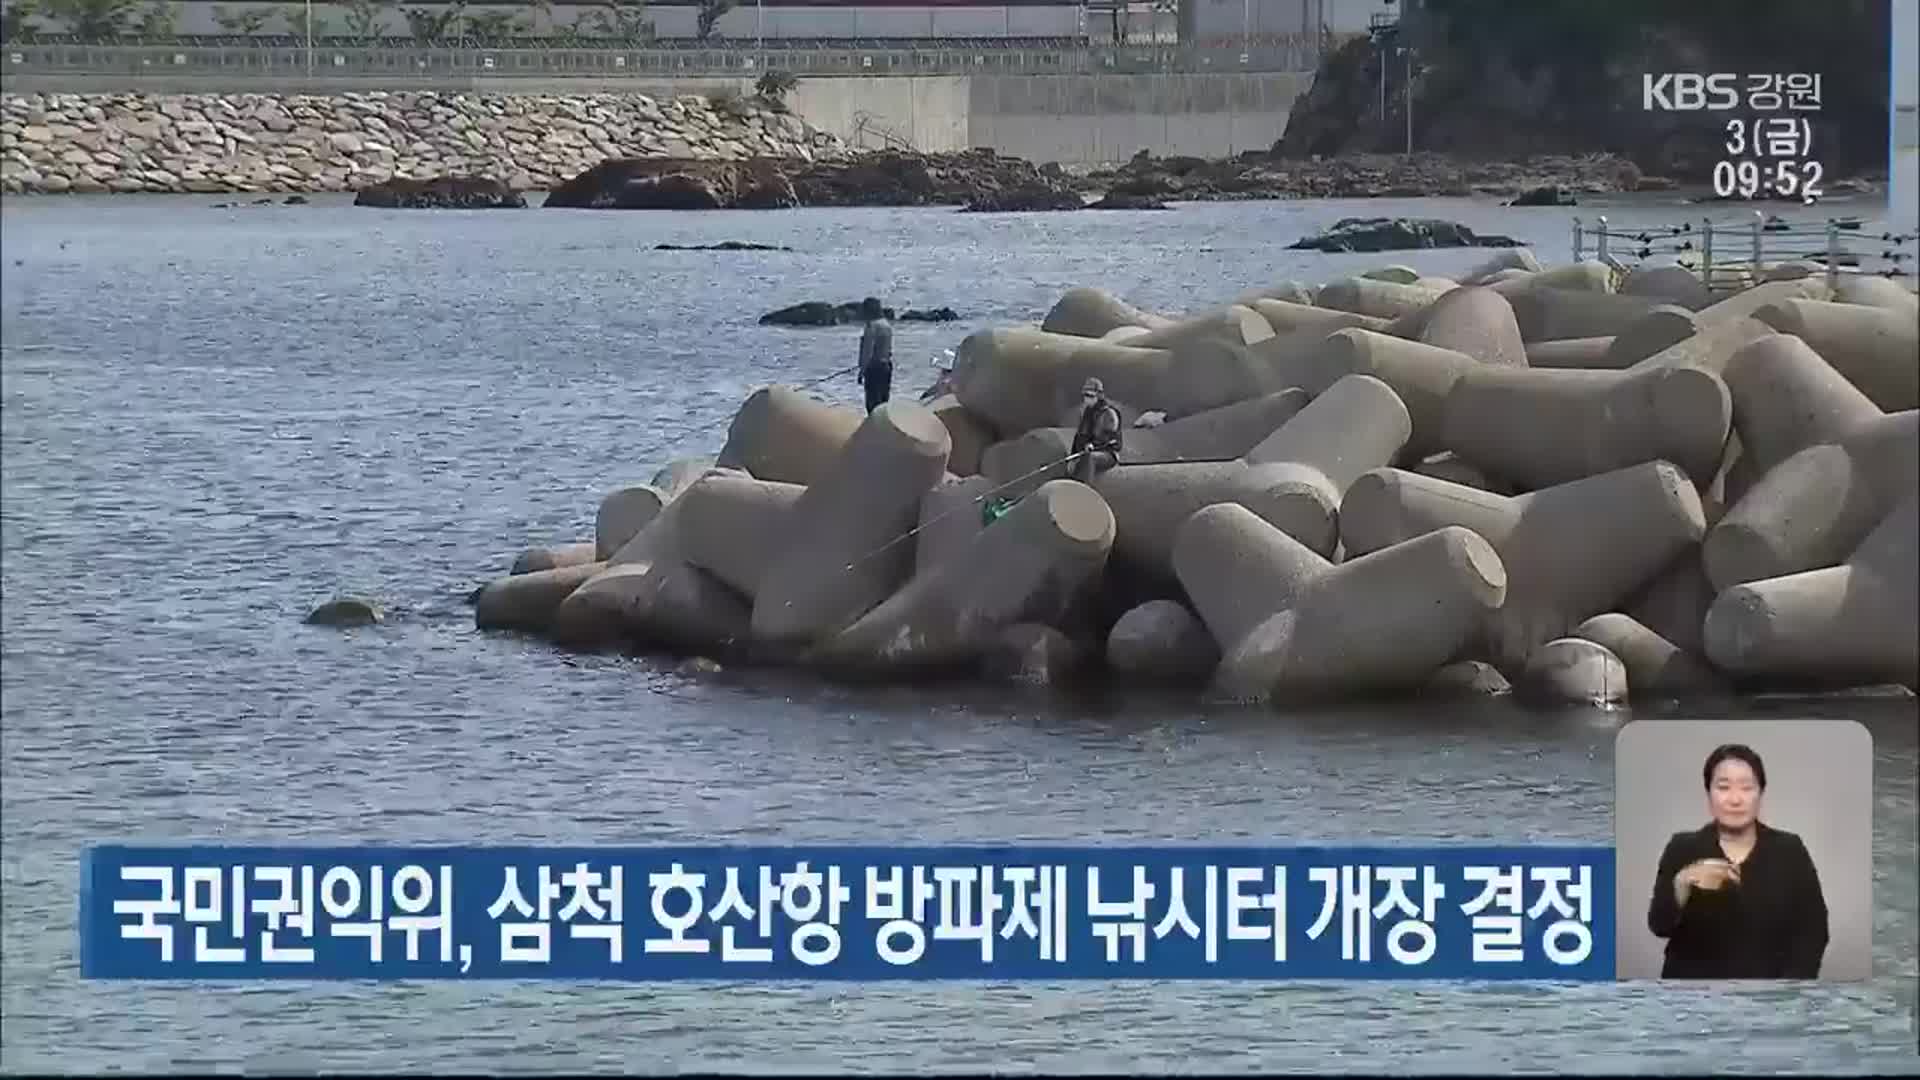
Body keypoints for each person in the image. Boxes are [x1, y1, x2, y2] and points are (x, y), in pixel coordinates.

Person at [1646, 743, 1830, 979]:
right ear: (1709, 794)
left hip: (1769, 1000)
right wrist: (1682, 882)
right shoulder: (1682, 847)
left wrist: (1788, 994)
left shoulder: (1789, 849)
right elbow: (1659, 926)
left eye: (1746, 788)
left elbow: (1814, 931)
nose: (1735, 799)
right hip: (1691, 999)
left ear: (1760, 794)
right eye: (1723, 787)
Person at [1069, 377, 1123, 485]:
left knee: (1090, 458)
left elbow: (1111, 440)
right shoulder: (1087, 413)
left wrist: (1094, 445)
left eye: (1090, 396)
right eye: (1085, 395)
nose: (1086, 399)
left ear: (1099, 396)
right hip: (1088, 452)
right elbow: (1080, 435)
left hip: (1108, 454)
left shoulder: (1109, 413)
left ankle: (1087, 490)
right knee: (1078, 463)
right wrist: (1073, 457)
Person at [855, 297, 893, 414]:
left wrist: (862, 371)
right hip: (886, 366)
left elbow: (868, 351)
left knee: (872, 404)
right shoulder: (887, 325)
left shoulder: (871, 326)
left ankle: (874, 429)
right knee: (883, 401)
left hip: (874, 368)